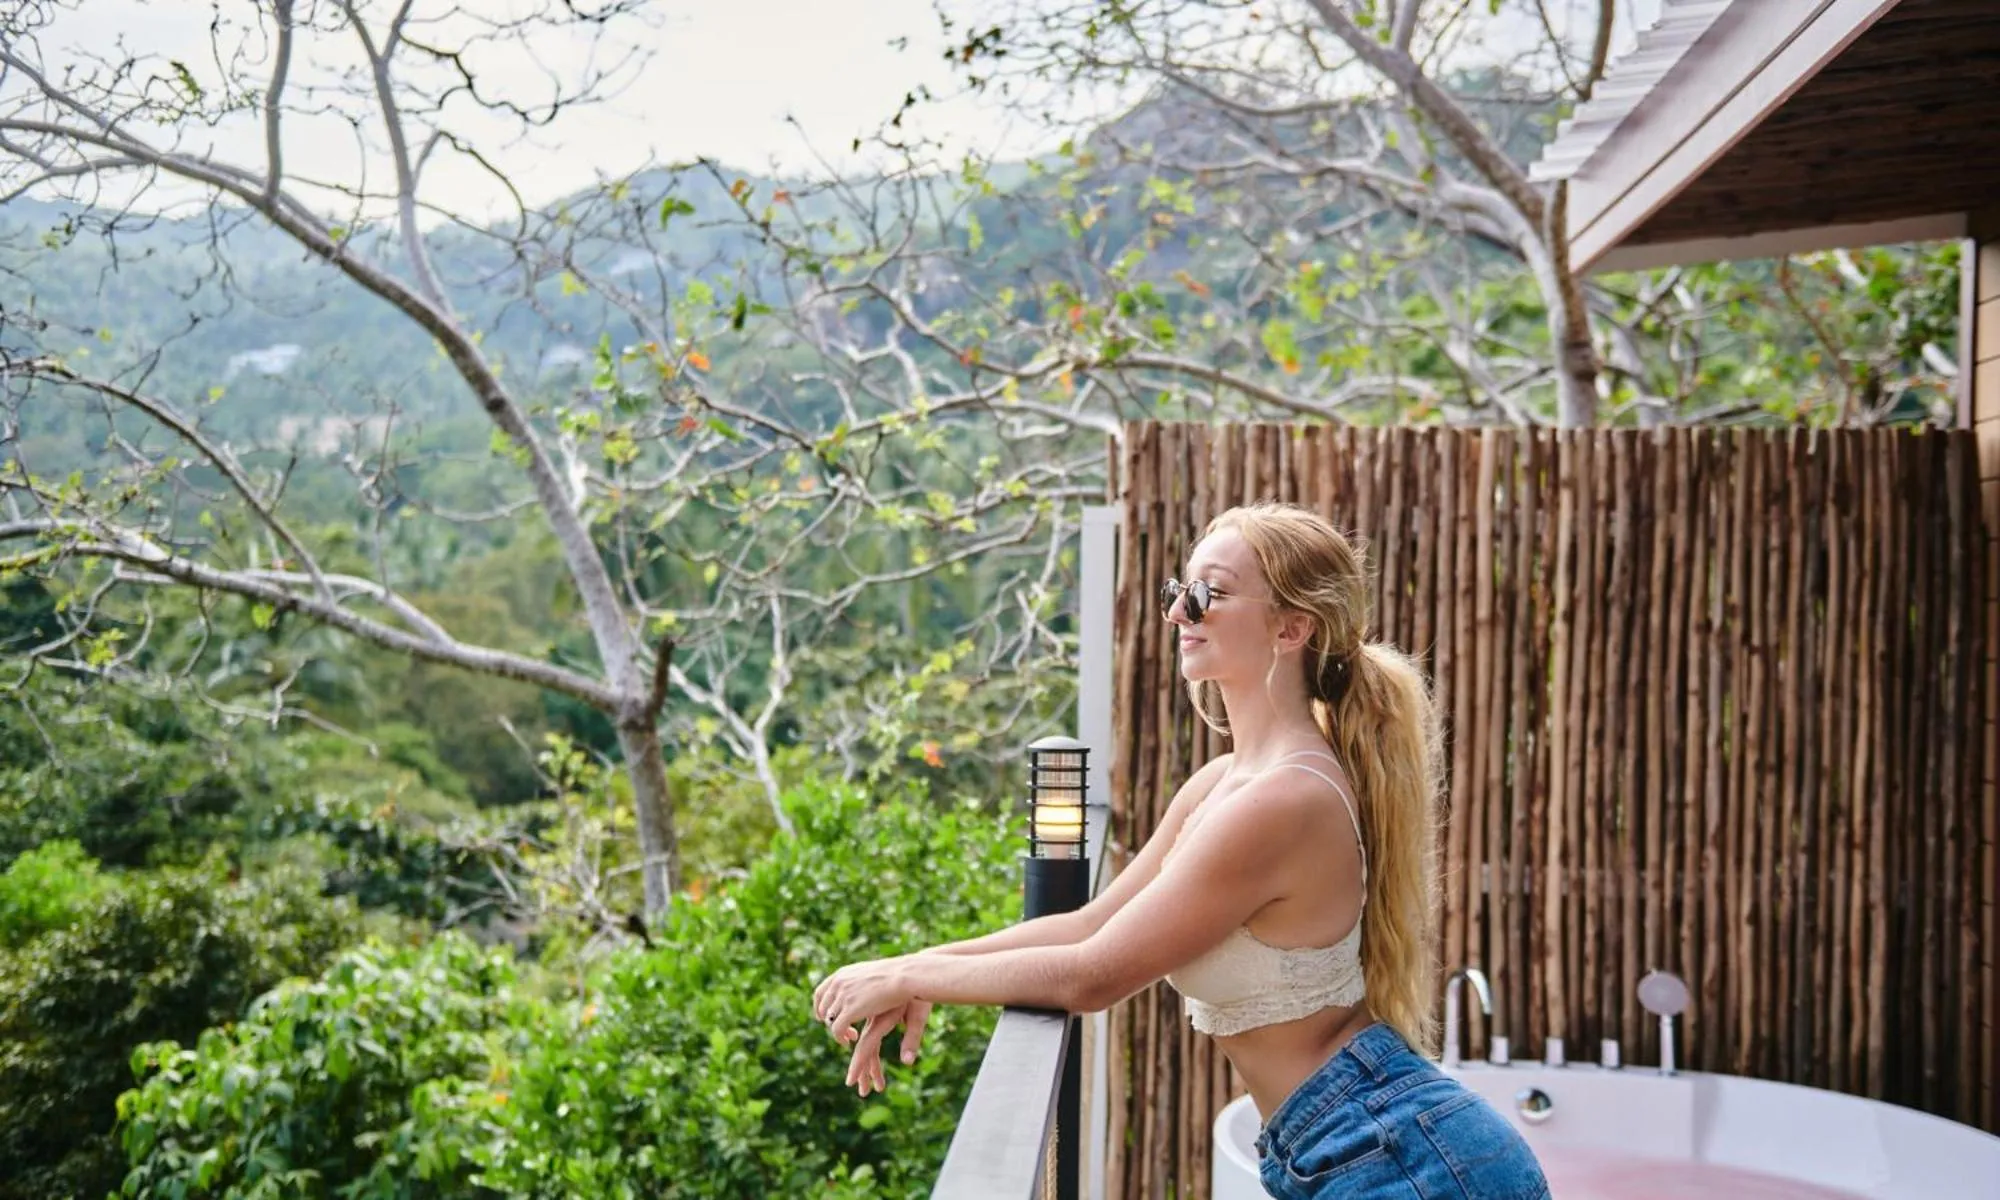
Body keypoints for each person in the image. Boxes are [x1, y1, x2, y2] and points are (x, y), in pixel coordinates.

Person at [812, 502, 1550, 1200]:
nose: (1176, 614)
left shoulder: (1283, 800)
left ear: (1292, 628)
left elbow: (1091, 975)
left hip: (1402, 1158)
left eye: (1207, 595)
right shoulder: (1223, 782)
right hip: (1349, 1143)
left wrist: (913, 975)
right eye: (1179, 590)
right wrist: (915, 966)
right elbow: (1089, 924)